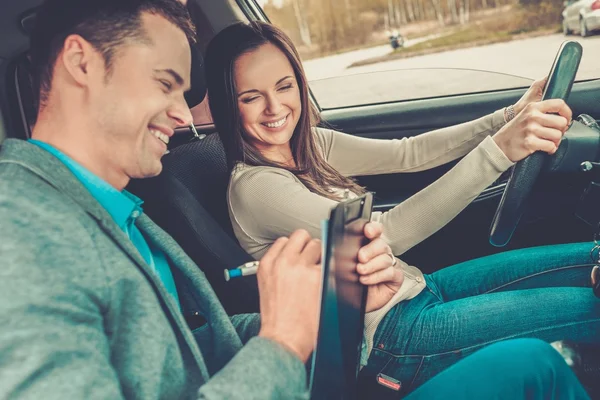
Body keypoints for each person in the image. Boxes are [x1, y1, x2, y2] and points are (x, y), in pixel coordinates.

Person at [1, 0, 587, 399]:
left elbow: (194, 343)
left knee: (579, 280)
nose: (184, 118)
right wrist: (284, 338)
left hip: (360, 334)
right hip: (383, 344)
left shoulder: (114, 213)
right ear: (81, 63)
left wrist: (329, 305)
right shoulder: (21, 233)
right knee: (538, 362)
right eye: (164, 84)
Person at [204, 20, 600, 394]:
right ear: (228, 104)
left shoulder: (308, 147)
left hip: (418, 290)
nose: (274, 108)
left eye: (284, 86)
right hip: (391, 339)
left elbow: (409, 153)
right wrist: (501, 151)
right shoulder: (257, 187)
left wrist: (509, 116)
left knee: (591, 259)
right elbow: (387, 233)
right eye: (251, 97)